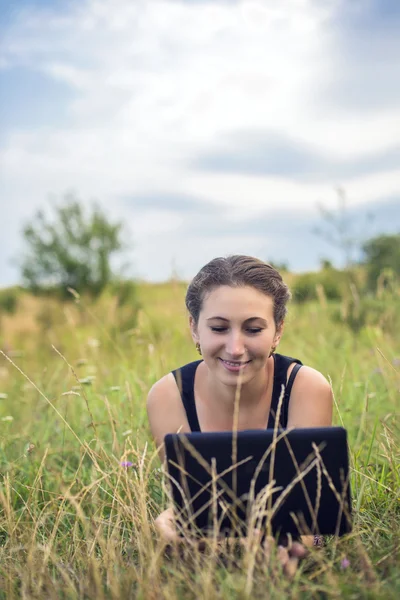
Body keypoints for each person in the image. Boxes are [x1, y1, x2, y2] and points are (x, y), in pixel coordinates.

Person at [146, 255, 333, 575]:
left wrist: (300, 541)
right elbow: (194, 507)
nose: (235, 347)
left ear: (277, 331)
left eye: (253, 328)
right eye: (219, 328)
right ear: (194, 328)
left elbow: (312, 523)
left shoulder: (306, 388)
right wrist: (170, 524)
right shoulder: (167, 398)